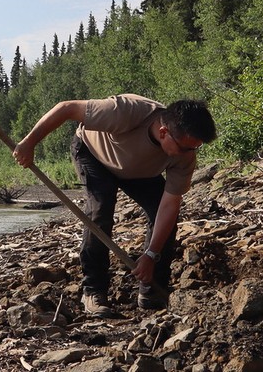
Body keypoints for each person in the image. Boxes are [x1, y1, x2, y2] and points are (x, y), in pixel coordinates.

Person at [13, 94, 216, 317]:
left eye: (195, 148)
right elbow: (66, 108)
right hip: (95, 156)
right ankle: (94, 291)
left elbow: (169, 206)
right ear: (163, 132)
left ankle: (152, 291)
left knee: (163, 216)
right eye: (186, 148)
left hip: (140, 172)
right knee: (99, 212)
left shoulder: (185, 156)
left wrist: (150, 255)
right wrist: (28, 143)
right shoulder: (125, 111)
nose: (190, 154)